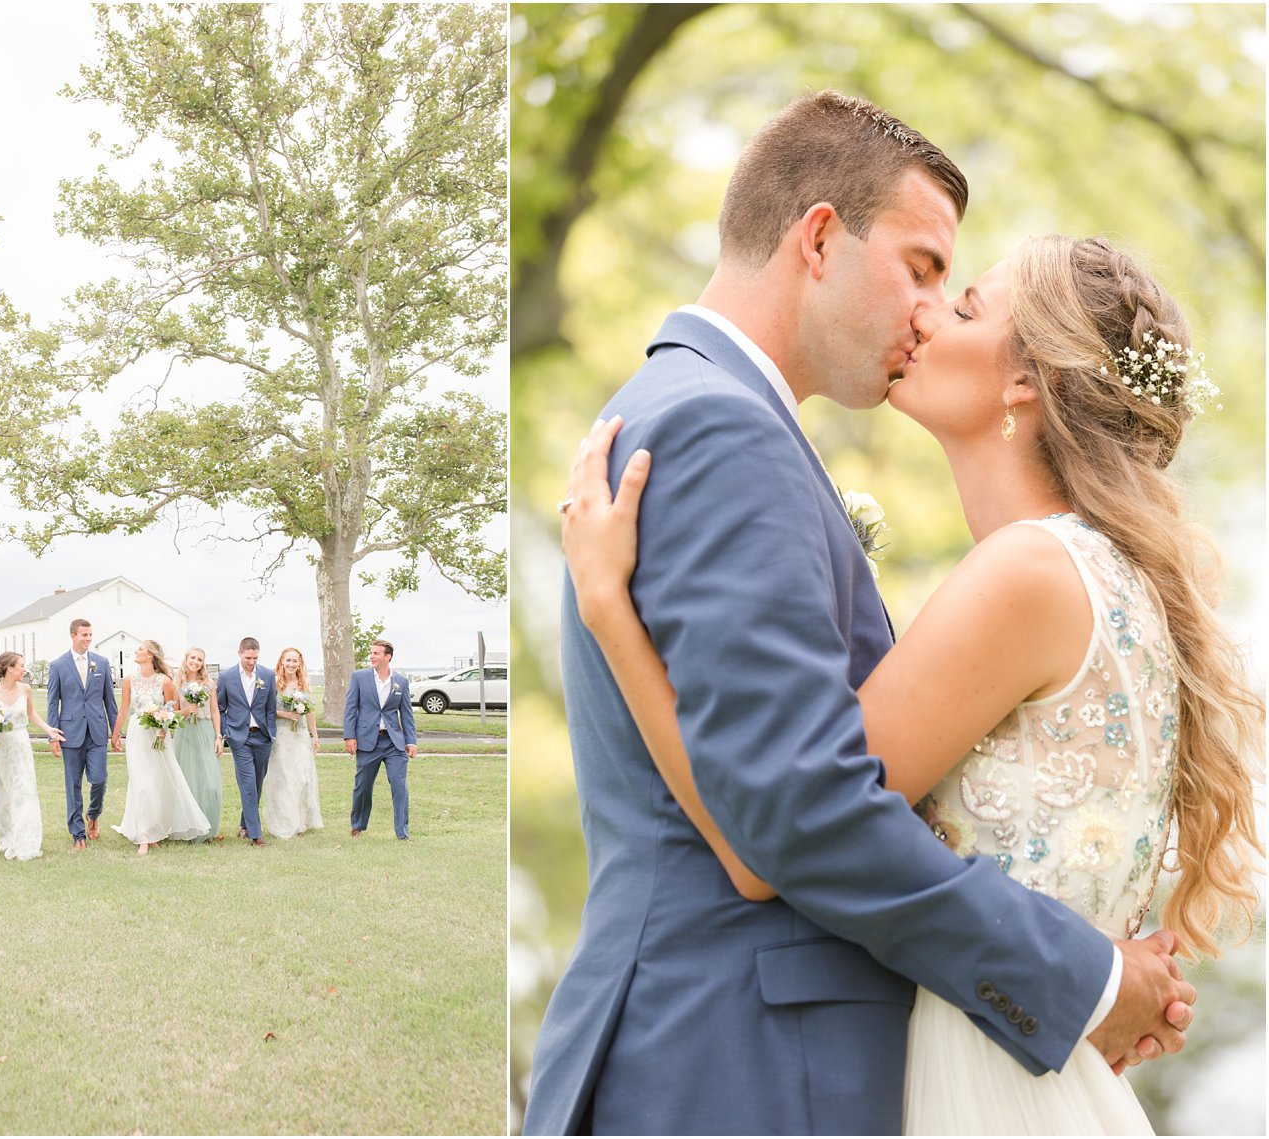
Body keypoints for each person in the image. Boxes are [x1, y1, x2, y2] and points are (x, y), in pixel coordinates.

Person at [520, 92, 1198, 1136]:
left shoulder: (724, 426)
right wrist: (1090, 977)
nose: (928, 311)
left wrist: (615, 615)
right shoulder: (718, 427)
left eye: (957, 294)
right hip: (727, 1063)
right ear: (820, 238)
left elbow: (789, 811)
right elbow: (793, 817)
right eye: (925, 269)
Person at [109, 639, 209, 854]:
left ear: (150, 655)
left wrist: (164, 728)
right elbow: (124, 710)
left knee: (156, 783)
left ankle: (154, 830)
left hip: (159, 735)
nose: (136, 651)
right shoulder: (129, 679)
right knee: (141, 784)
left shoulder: (164, 681)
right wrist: (115, 735)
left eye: (140, 649)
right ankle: (144, 835)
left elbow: (171, 709)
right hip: (137, 733)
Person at [0, 652, 65, 861]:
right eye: (21, 665)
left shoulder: (25, 689)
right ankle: (7, 834)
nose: (24, 669)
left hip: (21, 745)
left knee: (25, 791)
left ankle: (27, 840)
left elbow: (31, 714)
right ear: (9, 668)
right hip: (0, 747)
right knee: (5, 792)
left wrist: (49, 730)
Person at [46, 618, 119, 851]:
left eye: (90, 635)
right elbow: (52, 703)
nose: (88, 639)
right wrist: (53, 736)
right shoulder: (58, 665)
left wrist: (116, 733)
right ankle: (77, 833)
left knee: (99, 779)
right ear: (73, 636)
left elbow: (110, 700)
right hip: (70, 733)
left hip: (97, 732)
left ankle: (93, 814)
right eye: (83, 635)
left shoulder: (102, 663)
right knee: (73, 784)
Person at [343, 639, 417, 841]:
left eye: (376, 653)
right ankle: (358, 825)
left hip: (394, 742)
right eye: (371, 653)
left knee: (399, 786)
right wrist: (349, 736)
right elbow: (350, 708)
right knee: (363, 786)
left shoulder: (401, 682)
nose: (372, 656)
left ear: (388, 657)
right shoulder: (359, 677)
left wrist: (411, 741)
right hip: (367, 741)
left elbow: (406, 714)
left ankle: (402, 833)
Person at [216, 636, 277, 846]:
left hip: (262, 736)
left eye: (255, 658)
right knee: (247, 784)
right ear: (239, 653)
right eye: (248, 657)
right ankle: (255, 834)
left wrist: (272, 732)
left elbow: (270, 708)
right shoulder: (227, 677)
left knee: (257, 783)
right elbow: (220, 707)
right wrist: (226, 732)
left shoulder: (268, 675)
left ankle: (245, 824)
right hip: (239, 737)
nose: (252, 662)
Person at [265, 646, 324, 840]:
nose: (291, 664)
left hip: (299, 736)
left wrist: (314, 735)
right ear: (282, 661)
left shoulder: (303, 683)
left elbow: (310, 712)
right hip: (282, 736)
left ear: (300, 663)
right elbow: (267, 709)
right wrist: (286, 714)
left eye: (294, 661)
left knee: (302, 778)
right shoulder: (274, 682)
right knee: (283, 779)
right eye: (287, 660)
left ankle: (299, 821)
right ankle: (283, 821)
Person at [173, 646, 222, 842]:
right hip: (185, 733)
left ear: (203, 664)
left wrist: (218, 736)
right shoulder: (177, 683)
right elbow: (173, 712)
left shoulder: (209, 684)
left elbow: (215, 711)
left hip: (205, 731)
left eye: (199, 659)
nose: (195, 662)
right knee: (187, 781)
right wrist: (186, 711)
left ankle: (207, 827)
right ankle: (187, 828)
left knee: (210, 784)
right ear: (186, 659)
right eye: (192, 658)